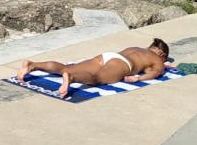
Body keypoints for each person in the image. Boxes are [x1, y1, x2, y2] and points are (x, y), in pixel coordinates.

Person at [16, 38, 171, 99]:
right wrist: (138, 78)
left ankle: (33, 65)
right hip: (123, 64)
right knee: (97, 79)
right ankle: (72, 78)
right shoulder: (158, 59)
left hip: (107, 56)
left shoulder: (135, 47)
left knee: (66, 67)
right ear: (162, 54)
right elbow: (156, 73)